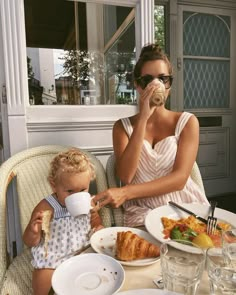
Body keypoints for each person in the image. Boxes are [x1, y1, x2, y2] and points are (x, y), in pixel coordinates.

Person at [93, 43, 209, 227]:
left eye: (163, 79)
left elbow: (179, 180)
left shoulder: (187, 122)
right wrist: (143, 118)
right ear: (138, 85)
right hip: (142, 210)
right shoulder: (122, 127)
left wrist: (126, 193)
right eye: (148, 80)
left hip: (184, 206)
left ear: (169, 84)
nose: (157, 85)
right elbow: (125, 176)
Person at [23, 148, 103, 295]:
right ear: (54, 185)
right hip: (54, 257)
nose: (77, 195)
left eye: (83, 189)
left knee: (98, 275)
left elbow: (95, 219)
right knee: (42, 282)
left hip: (83, 251)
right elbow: (30, 242)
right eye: (70, 191)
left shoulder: (88, 202)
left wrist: (97, 225)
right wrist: (33, 231)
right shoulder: (47, 207)